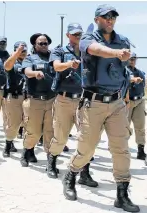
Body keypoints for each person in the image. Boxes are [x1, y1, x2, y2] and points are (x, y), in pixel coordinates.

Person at [61, 4, 140, 213]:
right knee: (87, 148)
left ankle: (122, 195)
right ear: (97, 19)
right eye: (106, 17)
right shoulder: (88, 38)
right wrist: (116, 53)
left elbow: (122, 71)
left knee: (121, 148)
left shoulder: (122, 40)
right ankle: (71, 174)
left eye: (113, 17)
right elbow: (96, 50)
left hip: (116, 103)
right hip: (93, 102)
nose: (110, 20)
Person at [49, 23, 98, 185]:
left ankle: (85, 173)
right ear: (68, 35)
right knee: (61, 137)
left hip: (83, 99)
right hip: (64, 99)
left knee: (87, 137)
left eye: (80, 34)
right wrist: (69, 64)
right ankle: (52, 162)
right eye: (75, 34)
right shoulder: (60, 51)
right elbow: (56, 66)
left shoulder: (87, 51)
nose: (78, 37)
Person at [19, 33, 56, 167]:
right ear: (35, 45)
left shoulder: (54, 58)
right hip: (35, 100)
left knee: (50, 132)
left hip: (52, 100)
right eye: (41, 43)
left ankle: (51, 163)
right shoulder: (30, 59)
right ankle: (26, 151)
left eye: (46, 43)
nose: (44, 45)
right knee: (33, 131)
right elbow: (27, 71)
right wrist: (35, 73)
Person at [2, 41, 28, 157]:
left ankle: (28, 150)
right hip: (14, 97)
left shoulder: (29, 62)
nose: (22, 53)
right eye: (20, 51)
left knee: (29, 124)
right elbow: (7, 66)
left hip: (28, 98)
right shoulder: (12, 62)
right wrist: (16, 53)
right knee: (13, 124)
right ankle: (8, 145)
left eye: (24, 51)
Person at [125, 53, 147, 160]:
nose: (132, 61)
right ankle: (122, 149)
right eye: (130, 59)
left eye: (133, 59)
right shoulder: (123, 70)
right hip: (126, 102)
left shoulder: (140, 72)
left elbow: (143, 86)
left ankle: (141, 150)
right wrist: (133, 80)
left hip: (139, 101)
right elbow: (125, 79)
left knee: (140, 126)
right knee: (124, 127)